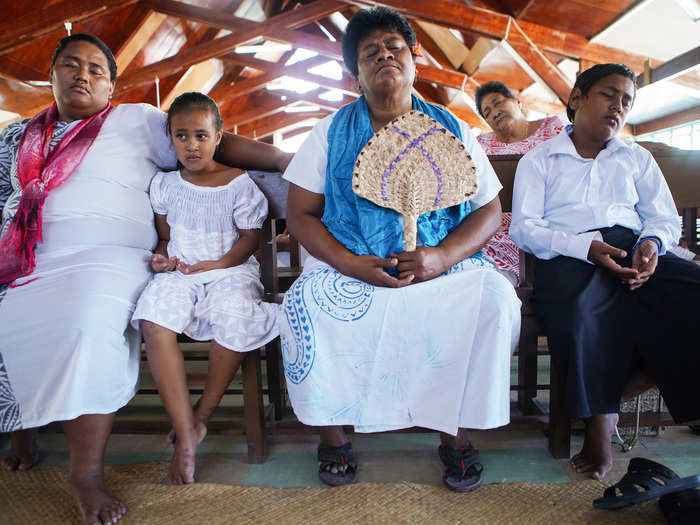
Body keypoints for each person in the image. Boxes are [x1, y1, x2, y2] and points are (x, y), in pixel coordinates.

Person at [0, 34, 289, 524]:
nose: (83, 75)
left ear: (112, 84)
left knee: (87, 320)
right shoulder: (14, 138)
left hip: (109, 257)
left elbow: (206, 135)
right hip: (28, 256)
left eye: (96, 68)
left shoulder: (135, 121)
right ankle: (25, 423)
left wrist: (280, 160)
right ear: (50, 77)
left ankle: (85, 473)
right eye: (70, 65)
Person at [280, 7, 520, 491]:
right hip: (350, 262)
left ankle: (456, 435)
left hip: (439, 261)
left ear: (414, 60)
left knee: (493, 301)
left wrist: (444, 256)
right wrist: (348, 263)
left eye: (395, 48)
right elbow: (300, 214)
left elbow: (489, 211)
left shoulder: (451, 127)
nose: (384, 56)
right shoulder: (330, 131)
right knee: (304, 304)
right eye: (371, 52)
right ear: (355, 73)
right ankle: (334, 436)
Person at [510, 63, 700, 480]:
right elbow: (525, 229)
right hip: (568, 253)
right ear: (576, 99)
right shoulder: (540, 160)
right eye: (608, 94)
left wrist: (650, 247)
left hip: (632, 246)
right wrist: (587, 248)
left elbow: (665, 219)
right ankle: (600, 420)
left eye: (627, 101)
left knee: (690, 292)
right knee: (584, 311)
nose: (619, 106)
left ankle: (609, 401)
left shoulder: (636, 158)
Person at [130, 92, 278, 485]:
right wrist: (162, 258)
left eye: (200, 135)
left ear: (217, 137)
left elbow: (249, 238)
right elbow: (165, 239)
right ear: (171, 139)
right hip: (181, 273)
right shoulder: (164, 185)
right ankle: (184, 426)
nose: (191, 145)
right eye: (181, 136)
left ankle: (199, 420)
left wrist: (219, 263)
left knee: (235, 317)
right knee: (154, 317)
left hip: (230, 271)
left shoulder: (239, 183)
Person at [475, 81, 567, 284]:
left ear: (517, 102)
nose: (495, 113)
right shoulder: (480, 145)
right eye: (487, 112)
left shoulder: (554, 128)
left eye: (498, 103)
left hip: (546, 225)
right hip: (494, 235)